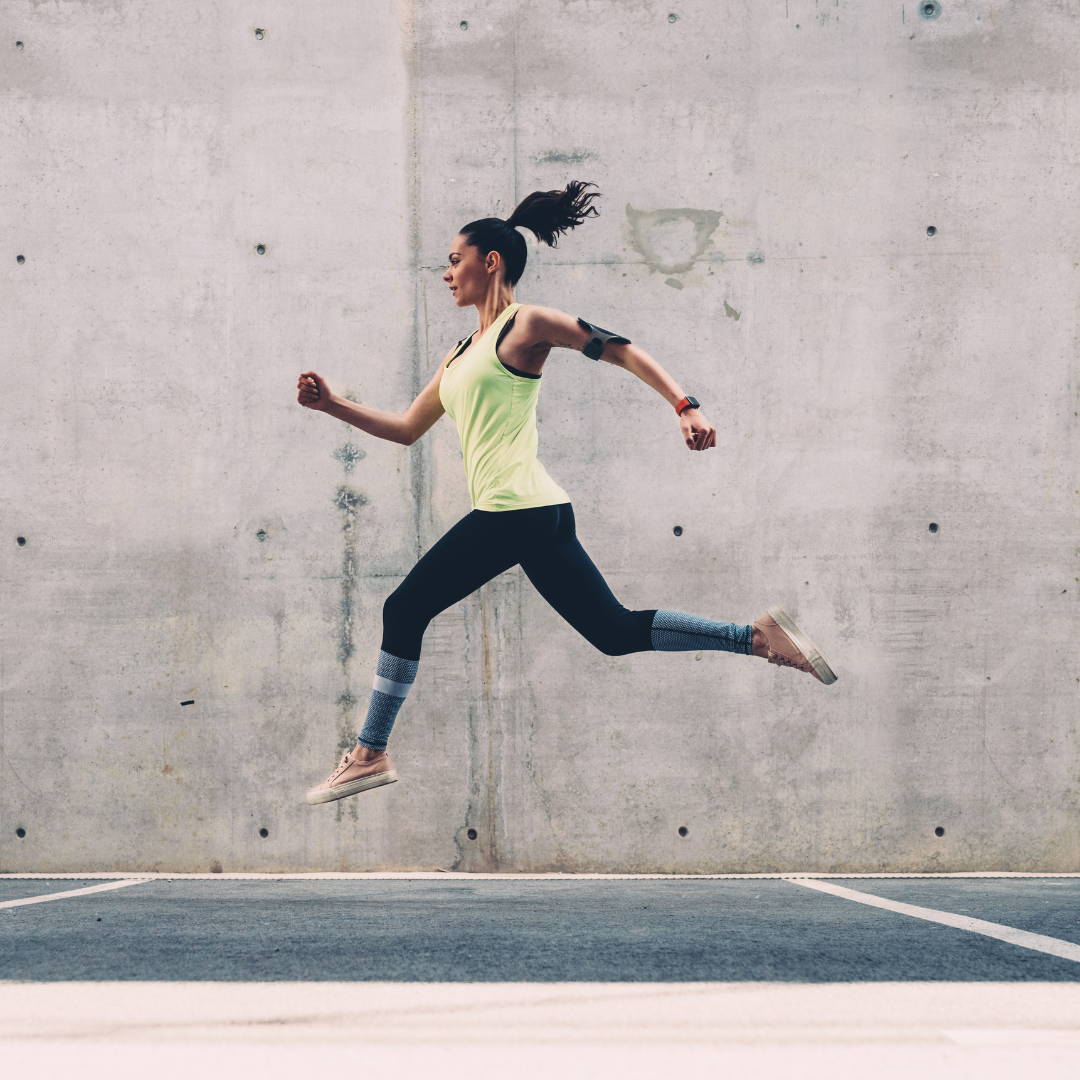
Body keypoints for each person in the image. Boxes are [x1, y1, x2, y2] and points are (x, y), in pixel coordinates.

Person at [298, 181, 836, 806]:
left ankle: (369, 752)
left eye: (454, 260)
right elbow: (406, 430)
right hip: (536, 514)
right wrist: (332, 404)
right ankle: (755, 635)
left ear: (489, 261)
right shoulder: (459, 352)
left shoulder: (525, 323)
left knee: (403, 610)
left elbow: (621, 348)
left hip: (514, 511)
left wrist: (685, 406)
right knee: (613, 631)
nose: (447, 272)